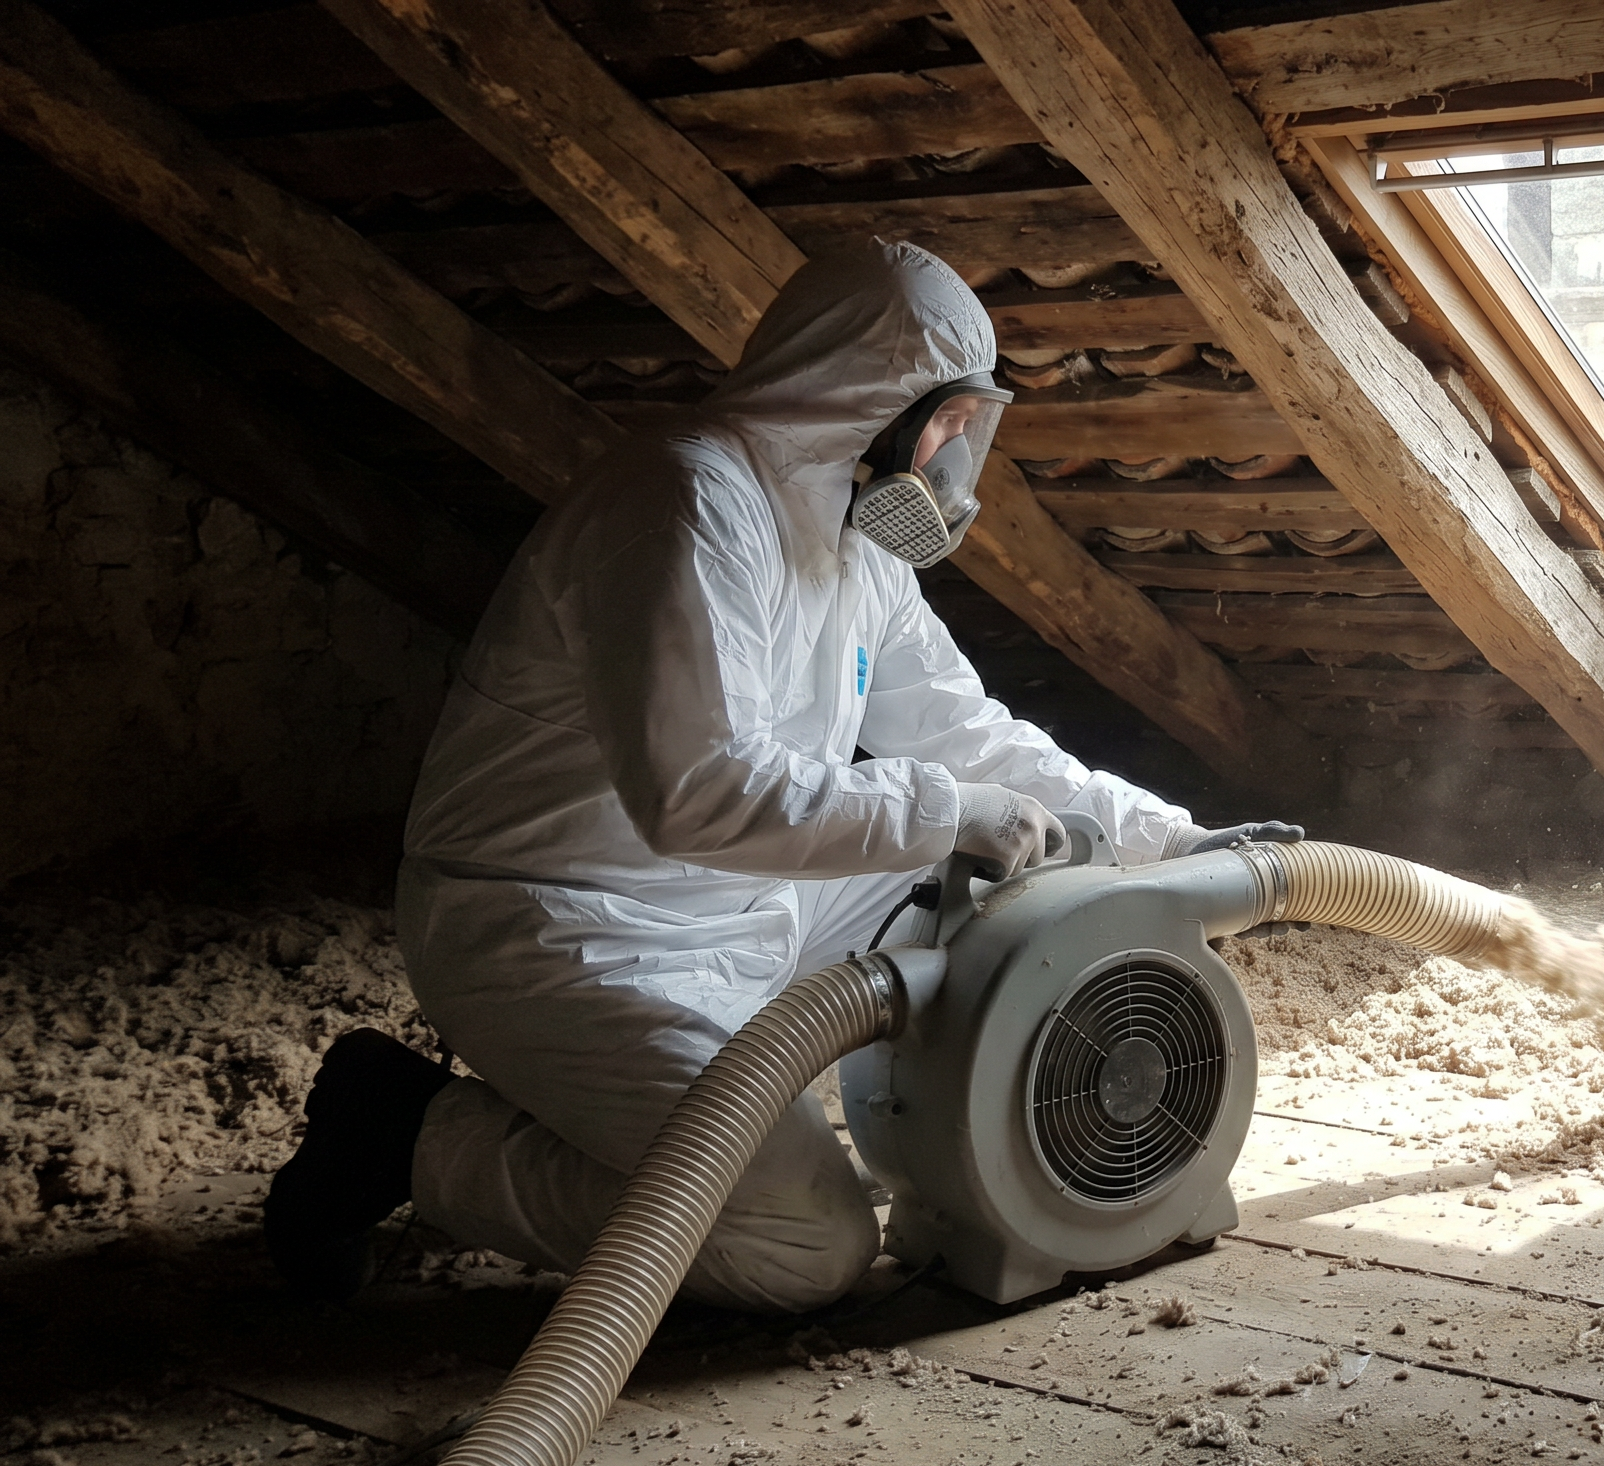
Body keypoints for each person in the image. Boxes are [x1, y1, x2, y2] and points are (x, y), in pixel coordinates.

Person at [262, 239, 1301, 1311]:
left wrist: (1166, 842)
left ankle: (994, 1162)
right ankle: (404, 1134)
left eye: (967, 429)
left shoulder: (853, 539)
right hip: (570, 930)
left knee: (1020, 883)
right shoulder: (685, 504)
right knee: (801, 1246)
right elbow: (699, 792)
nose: (952, 458)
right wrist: (949, 814)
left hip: (751, 897)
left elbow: (963, 735)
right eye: (948, 420)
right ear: (870, 397)